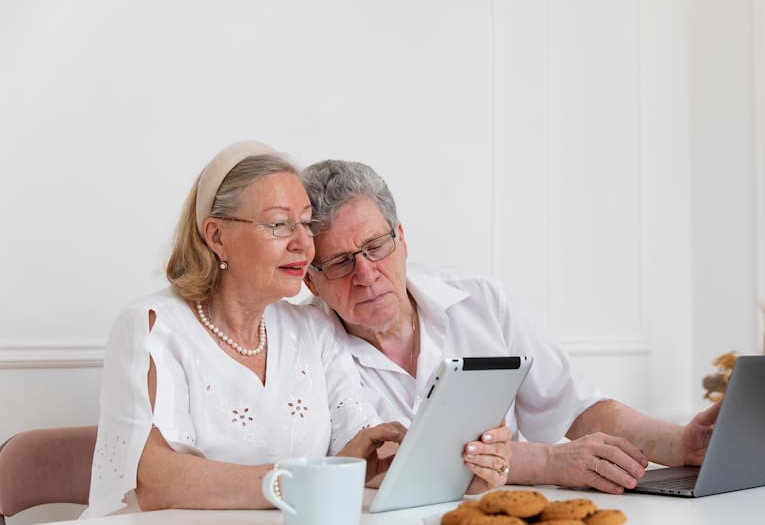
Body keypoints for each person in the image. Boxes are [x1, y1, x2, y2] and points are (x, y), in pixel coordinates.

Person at [83, 142, 510, 517]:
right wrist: (303, 482)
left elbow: (366, 452)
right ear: (216, 236)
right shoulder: (154, 327)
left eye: (305, 223)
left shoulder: (313, 328)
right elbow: (156, 481)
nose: (303, 244)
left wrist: (460, 470)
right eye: (279, 224)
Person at [299, 159, 721, 495]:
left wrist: (678, 442)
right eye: (340, 262)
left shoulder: (480, 299)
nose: (366, 274)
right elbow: (382, 458)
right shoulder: (306, 342)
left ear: (402, 240)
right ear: (311, 280)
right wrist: (548, 462)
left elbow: (576, 406)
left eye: (376, 247)